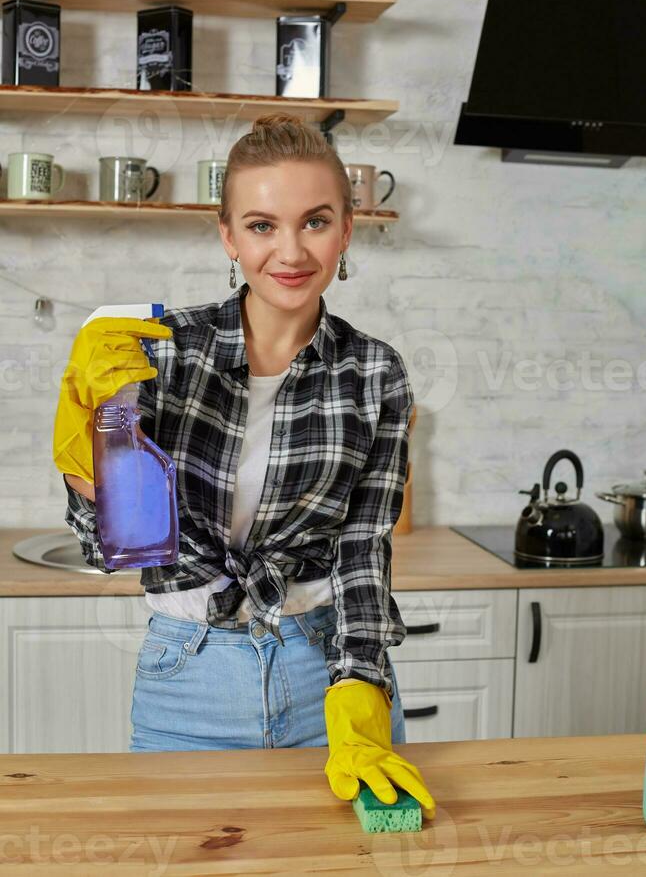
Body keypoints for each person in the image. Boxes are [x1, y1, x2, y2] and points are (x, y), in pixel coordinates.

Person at [53, 113, 436, 819]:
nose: (290, 251)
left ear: (347, 229)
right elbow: (112, 549)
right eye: (262, 225)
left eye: (315, 222)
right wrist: (90, 447)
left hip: (325, 678)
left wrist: (361, 688)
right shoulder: (156, 355)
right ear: (227, 234)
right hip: (187, 679)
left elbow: (361, 552)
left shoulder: (376, 372)